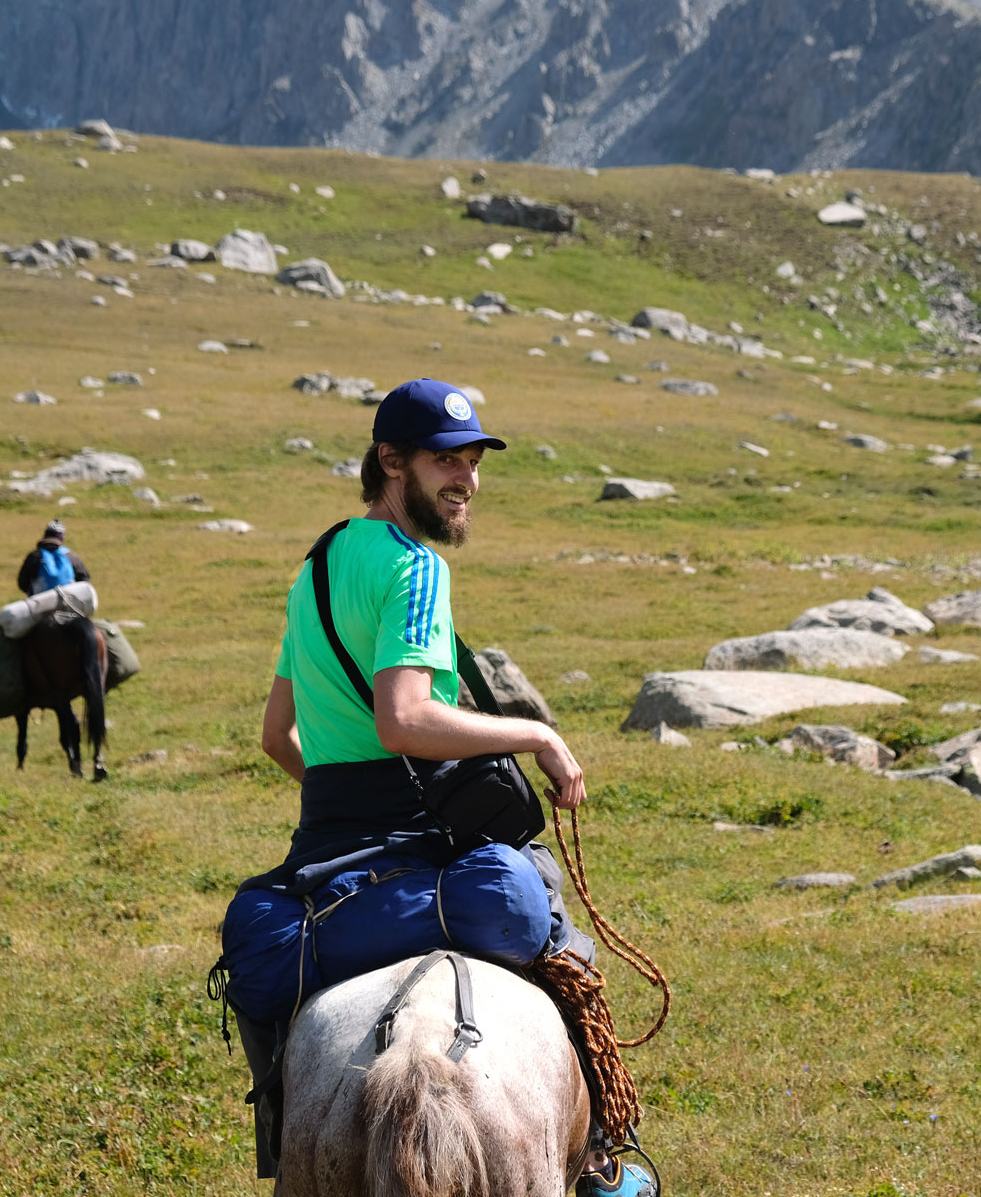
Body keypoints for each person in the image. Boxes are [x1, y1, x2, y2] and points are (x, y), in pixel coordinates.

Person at [219, 378, 656, 1196]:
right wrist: (539, 735)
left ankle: (283, 1150)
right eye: (443, 461)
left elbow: (275, 737)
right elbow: (405, 719)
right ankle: (602, 1161)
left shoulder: (315, 568)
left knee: (263, 966)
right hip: (426, 835)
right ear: (391, 462)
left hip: (326, 853)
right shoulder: (414, 569)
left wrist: (343, 800)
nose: (465, 479)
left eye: (472, 461)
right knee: (553, 925)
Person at [15, 520, 91, 596]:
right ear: (62, 537)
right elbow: (84, 579)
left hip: (40, 603)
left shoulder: (34, 556)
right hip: (68, 602)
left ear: (45, 535)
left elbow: (23, 583)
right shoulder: (71, 556)